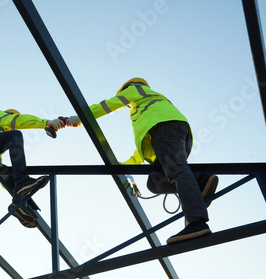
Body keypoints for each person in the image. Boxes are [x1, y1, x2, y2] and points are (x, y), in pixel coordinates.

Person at [67, 78, 219, 244]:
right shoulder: (153, 101)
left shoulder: (135, 90)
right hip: (175, 131)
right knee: (154, 183)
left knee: (177, 170)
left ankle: (197, 221)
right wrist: (124, 166)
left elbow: (107, 106)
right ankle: (200, 183)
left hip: (165, 129)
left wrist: (79, 119)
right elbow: (143, 149)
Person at [0, 109, 65, 227]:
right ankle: (22, 182)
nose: (14, 127)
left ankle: (18, 203)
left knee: (10, 174)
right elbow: (17, 121)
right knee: (15, 136)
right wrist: (46, 122)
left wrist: (15, 191)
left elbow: (3, 174)